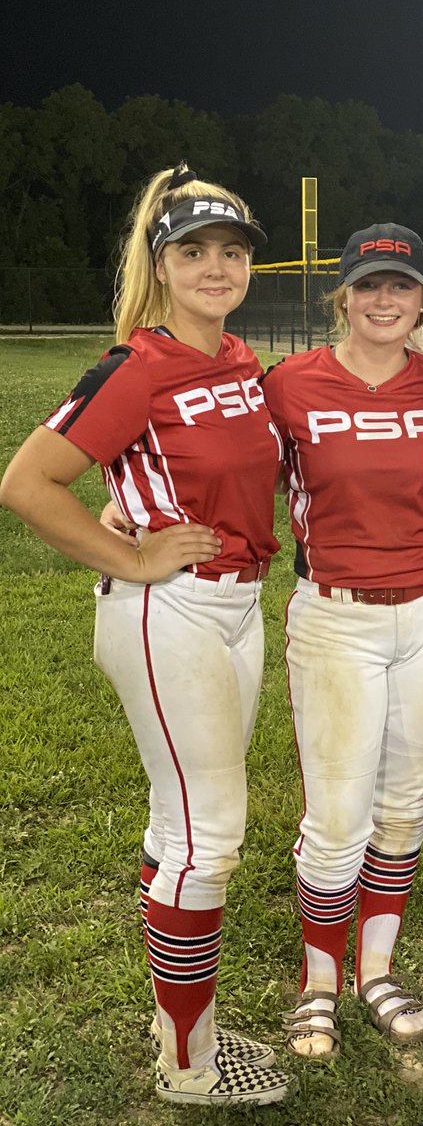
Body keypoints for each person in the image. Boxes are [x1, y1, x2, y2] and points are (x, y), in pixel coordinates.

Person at [0, 165, 292, 1107]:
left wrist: (133, 503)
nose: (216, 268)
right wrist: (129, 553)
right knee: (209, 840)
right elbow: (27, 483)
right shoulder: (138, 364)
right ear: (160, 265)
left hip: (236, 607)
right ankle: (190, 1067)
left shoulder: (239, 359)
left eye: (232, 252)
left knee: (180, 828)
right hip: (171, 612)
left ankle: (178, 1025)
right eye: (193, 252)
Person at [261, 224, 423, 1059]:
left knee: (405, 801)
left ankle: (376, 969)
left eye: (401, 285)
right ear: (343, 296)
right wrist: (130, 508)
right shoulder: (291, 384)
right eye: (368, 285)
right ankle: (319, 980)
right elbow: (232, 472)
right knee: (336, 815)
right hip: (337, 614)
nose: (384, 300)